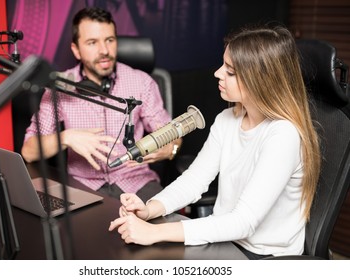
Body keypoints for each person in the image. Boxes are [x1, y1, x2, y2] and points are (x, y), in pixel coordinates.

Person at [109, 24, 321, 259]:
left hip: (265, 257)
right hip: (227, 243)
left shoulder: (283, 135)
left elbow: (244, 222)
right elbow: (194, 181)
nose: (218, 73)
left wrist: (154, 232)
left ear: (260, 80)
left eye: (230, 72)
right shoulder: (227, 119)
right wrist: (150, 209)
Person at [21, 7, 181, 202]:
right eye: (92, 43)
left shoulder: (141, 82)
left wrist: (171, 148)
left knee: (160, 227)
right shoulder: (59, 87)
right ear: (76, 50)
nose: (104, 51)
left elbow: (172, 133)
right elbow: (28, 152)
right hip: (83, 186)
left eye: (110, 40)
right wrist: (66, 137)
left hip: (137, 183)